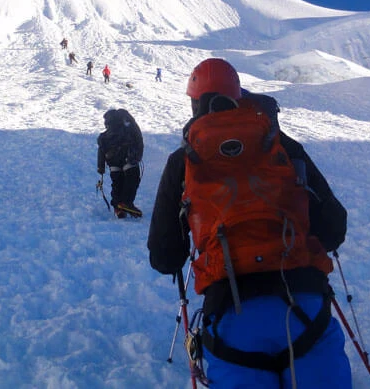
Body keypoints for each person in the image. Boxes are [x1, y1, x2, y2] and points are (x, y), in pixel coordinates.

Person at [147, 58, 351, 388]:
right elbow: (333, 227)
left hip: (232, 316)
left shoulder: (183, 161)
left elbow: (164, 256)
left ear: (195, 103)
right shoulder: (283, 147)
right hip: (306, 306)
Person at [97, 109, 145, 218]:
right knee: (131, 180)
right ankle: (126, 202)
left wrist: (101, 167)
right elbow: (138, 139)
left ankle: (118, 206)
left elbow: (101, 151)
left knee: (117, 183)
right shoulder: (127, 129)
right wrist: (136, 156)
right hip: (128, 159)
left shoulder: (104, 136)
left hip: (113, 162)